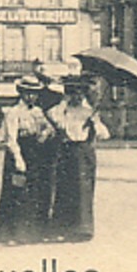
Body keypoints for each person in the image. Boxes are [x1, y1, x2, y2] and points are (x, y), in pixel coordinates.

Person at [0, 75, 57, 245]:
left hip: (35, 154)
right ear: (21, 93)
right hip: (18, 154)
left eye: (34, 94)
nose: (31, 97)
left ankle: (32, 233)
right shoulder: (13, 113)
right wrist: (18, 159)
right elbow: (11, 139)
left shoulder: (37, 112)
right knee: (16, 193)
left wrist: (44, 134)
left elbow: (49, 128)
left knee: (34, 194)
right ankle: (12, 233)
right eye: (27, 93)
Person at [49, 75, 110, 243]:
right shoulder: (62, 111)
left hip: (84, 154)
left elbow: (105, 134)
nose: (75, 96)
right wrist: (63, 105)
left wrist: (94, 124)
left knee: (83, 192)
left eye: (78, 93)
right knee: (64, 190)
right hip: (67, 152)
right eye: (71, 93)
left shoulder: (88, 112)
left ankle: (83, 229)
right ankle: (61, 228)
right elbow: (53, 119)